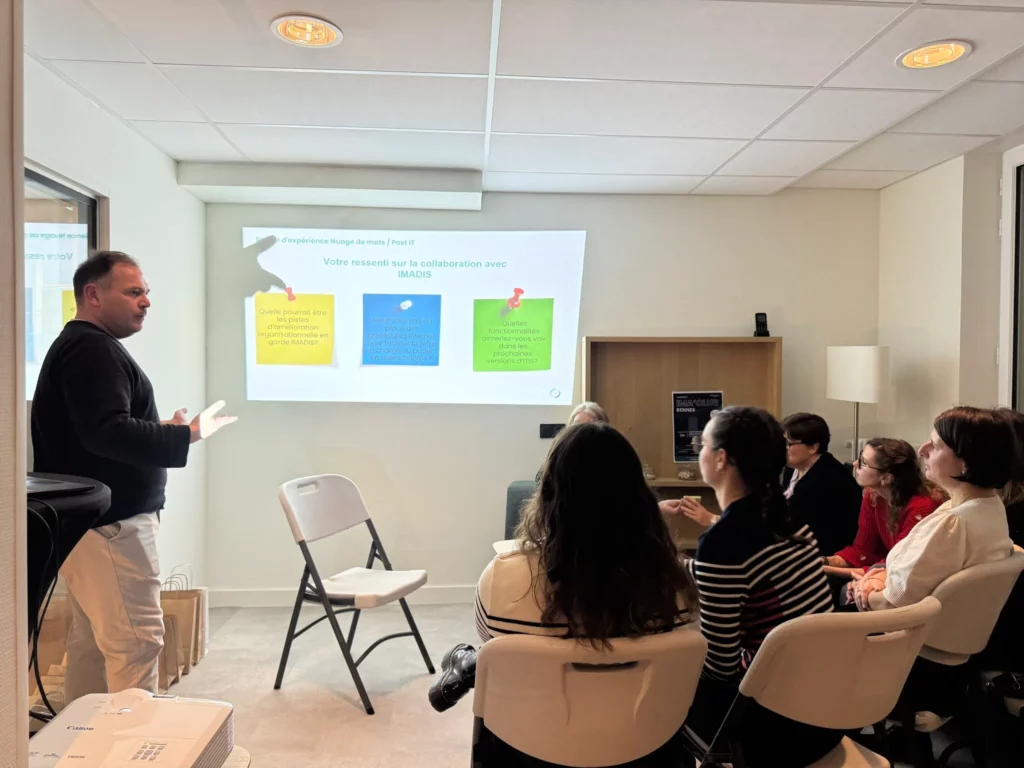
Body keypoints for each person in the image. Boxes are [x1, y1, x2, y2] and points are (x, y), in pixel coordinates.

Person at [31, 251, 236, 703]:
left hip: (91, 524)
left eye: (146, 292)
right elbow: (108, 433)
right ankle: (130, 746)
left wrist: (166, 430)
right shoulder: (91, 349)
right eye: (133, 292)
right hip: (110, 527)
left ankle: (83, 740)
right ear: (93, 295)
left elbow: (96, 431)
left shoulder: (82, 346)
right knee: (138, 644)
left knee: (93, 644)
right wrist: (185, 435)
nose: (146, 302)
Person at [683, 406, 841, 767]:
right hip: (826, 702)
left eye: (702, 444)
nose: (699, 451)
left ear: (721, 459)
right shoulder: (785, 515)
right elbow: (756, 576)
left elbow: (719, 666)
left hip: (775, 724)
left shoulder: (724, 543)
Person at [849, 407, 1016, 715]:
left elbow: (896, 602)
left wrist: (866, 588)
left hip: (910, 665)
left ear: (966, 460)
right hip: (944, 664)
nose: (922, 450)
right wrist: (878, 576)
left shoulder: (954, 523)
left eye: (935, 445)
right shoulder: (988, 508)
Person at [825, 438, 943, 572]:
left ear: (886, 478)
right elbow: (863, 551)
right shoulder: (873, 495)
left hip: (913, 574)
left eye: (863, 462)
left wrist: (826, 569)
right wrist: (822, 561)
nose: (855, 463)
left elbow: (900, 564)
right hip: (890, 569)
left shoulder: (921, 506)